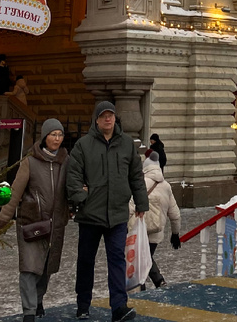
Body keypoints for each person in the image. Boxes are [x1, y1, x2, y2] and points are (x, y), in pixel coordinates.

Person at [67, 101, 148, 322]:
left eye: (111, 115)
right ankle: (83, 304)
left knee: (117, 260)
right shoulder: (83, 145)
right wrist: (81, 198)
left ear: (115, 118)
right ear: (97, 119)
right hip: (90, 215)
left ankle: (119, 307)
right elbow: (73, 175)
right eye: (103, 116)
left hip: (117, 214)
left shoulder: (126, 144)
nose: (108, 119)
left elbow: (136, 175)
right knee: (86, 260)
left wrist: (142, 202)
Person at [0, 119, 70, 322]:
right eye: (53, 134)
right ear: (45, 137)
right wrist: (4, 217)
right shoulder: (30, 161)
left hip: (55, 225)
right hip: (31, 222)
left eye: (60, 135)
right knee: (29, 267)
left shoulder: (66, 161)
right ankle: (29, 311)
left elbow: (72, 189)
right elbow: (15, 191)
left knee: (46, 268)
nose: (56, 138)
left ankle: (37, 300)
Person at [135, 154, 181, 289]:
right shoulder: (166, 186)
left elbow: (130, 207)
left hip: (139, 230)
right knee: (146, 257)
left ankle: (147, 285)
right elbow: (175, 214)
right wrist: (175, 234)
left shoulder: (140, 183)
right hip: (156, 232)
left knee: (142, 259)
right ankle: (158, 282)